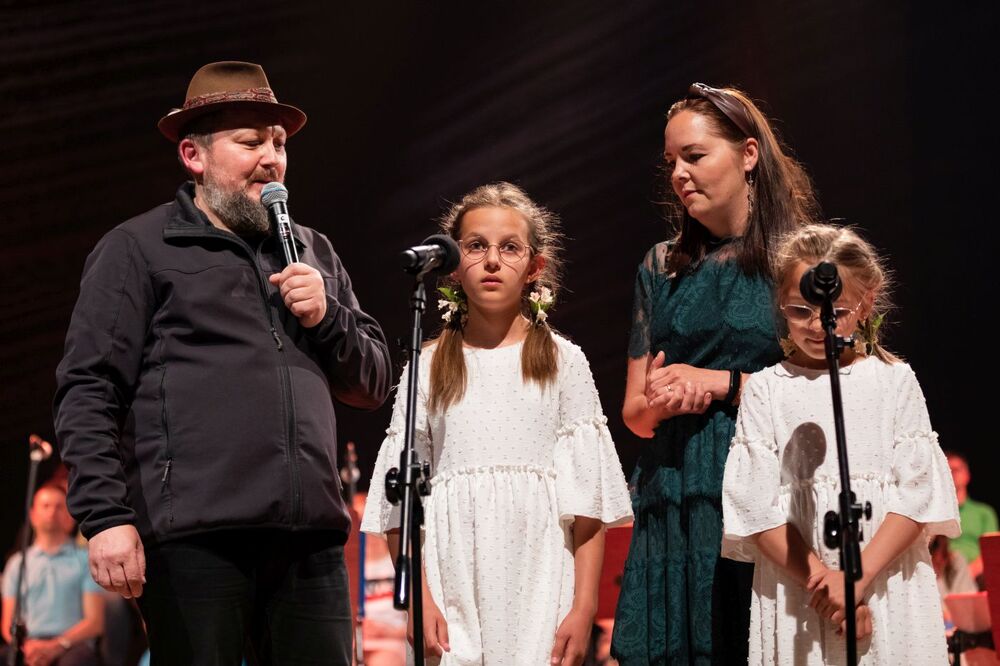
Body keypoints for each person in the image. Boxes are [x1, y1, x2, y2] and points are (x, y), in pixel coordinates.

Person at [53, 61, 392, 664]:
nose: (272, 158)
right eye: (250, 142)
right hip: (195, 543)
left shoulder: (315, 252)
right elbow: (88, 389)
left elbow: (371, 383)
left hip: (308, 542)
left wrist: (326, 316)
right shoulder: (139, 248)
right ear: (193, 155)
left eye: (279, 143)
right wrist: (105, 516)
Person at [362, 182, 633, 665]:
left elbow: (588, 501)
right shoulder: (425, 366)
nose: (492, 261)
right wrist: (418, 600)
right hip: (451, 574)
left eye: (509, 248)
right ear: (451, 260)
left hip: (540, 570)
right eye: (476, 246)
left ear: (535, 267)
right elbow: (399, 503)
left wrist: (584, 604)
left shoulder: (563, 362)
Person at [611, 83, 820, 665]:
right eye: (671, 161)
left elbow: (829, 398)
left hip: (760, 488)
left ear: (748, 154)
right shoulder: (660, 265)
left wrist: (722, 384)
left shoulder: (796, 261)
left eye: (695, 156)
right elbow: (634, 413)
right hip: (673, 488)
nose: (679, 173)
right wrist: (659, 400)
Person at [721, 223, 960, 663]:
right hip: (801, 593)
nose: (816, 324)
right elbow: (755, 508)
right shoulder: (766, 390)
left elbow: (919, 493)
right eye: (798, 310)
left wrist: (856, 578)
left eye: (832, 310)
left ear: (866, 303)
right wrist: (824, 581)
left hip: (889, 583)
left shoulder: (894, 381)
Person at [1, 484, 104, 666]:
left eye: (59, 507)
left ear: (70, 517)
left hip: (71, 645)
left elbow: (95, 622)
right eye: (45, 506)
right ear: (32, 515)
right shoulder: (17, 564)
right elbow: (7, 623)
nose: (52, 512)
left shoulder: (85, 560)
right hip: (28, 644)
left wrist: (57, 645)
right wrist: (29, 648)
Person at [945, 450, 999, 583]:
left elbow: (991, 552)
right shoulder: (936, 514)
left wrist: (966, 574)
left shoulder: (983, 513)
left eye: (956, 469)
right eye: (948, 469)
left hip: (977, 576)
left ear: (967, 475)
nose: (952, 473)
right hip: (943, 574)